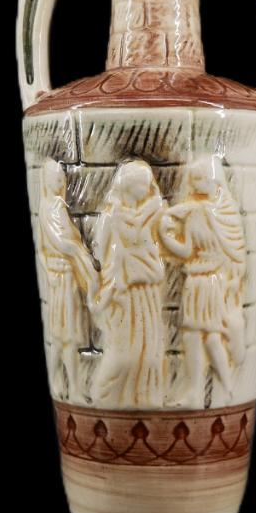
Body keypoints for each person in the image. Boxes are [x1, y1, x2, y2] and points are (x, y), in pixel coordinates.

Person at [158, 156, 246, 408]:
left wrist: (232, 280)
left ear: (213, 180)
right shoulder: (195, 211)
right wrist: (165, 235)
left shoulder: (223, 213)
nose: (193, 184)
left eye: (198, 178)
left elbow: (235, 251)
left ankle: (226, 389)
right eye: (193, 179)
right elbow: (187, 251)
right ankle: (201, 392)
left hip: (212, 282)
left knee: (209, 337)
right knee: (196, 337)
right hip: (196, 281)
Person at [90, 160, 167, 408]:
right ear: (129, 186)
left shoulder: (150, 215)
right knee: (124, 352)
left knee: (149, 350)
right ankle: (106, 397)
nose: (148, 189)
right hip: (122, 293)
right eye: (143, 184)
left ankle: (144, 398)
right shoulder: (111, 217)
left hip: (147, 292)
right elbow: (101, 252)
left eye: (148, 184)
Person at [38, 160, 97, 400]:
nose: (60, 182)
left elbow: (59, 244)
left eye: (62, 178)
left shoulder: (56, 207)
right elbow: (58, 244)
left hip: (66, 279)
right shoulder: (50, 208)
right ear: (46, 181)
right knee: (64, 337)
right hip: (60, 279)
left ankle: (70, 386)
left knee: (64, 338)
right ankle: (69, 387)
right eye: (56, 178)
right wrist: (75, 253)